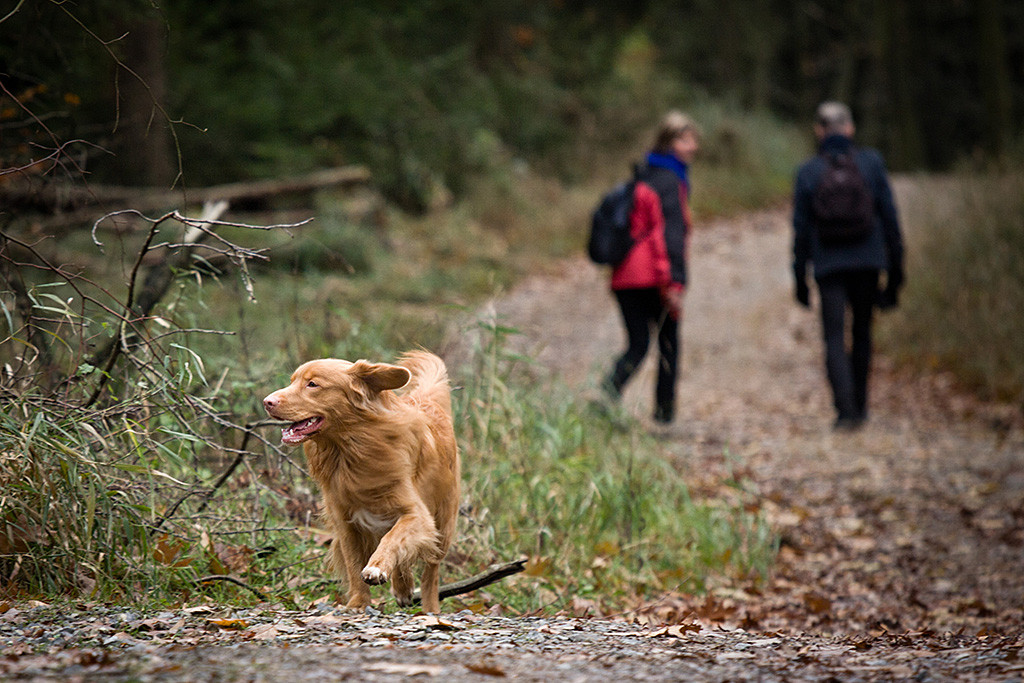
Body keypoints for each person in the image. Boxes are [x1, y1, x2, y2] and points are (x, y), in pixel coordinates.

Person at [792, 101, 904, 430]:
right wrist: (895, 275)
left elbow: (800, 230)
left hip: (829, 266)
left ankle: (845, 411)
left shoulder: (809, 171)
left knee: (833, 337)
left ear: (818, 130)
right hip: (868, 261)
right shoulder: (871, 164)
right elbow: (890, 220)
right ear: (850, 128)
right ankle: (862, 406)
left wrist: (799, 277)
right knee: (862, 332)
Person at [604, 111, 698, 424]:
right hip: (652, 277)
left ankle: (605, 394)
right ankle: (663, 413)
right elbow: (670, 237)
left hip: (624, 277)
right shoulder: (672, 182)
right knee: (669, 344)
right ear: (669, 142)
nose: (693, 146)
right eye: (686, 140)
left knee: (638, 344)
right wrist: (674, 283)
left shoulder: (643, 175)